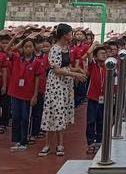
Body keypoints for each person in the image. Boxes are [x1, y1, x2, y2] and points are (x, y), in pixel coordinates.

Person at [39, 23, 87, 157]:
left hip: (65, 84)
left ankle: (60, 144)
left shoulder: (67, 48)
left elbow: (65, 66)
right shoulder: (55, 49)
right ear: (64, 35)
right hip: (56, 85)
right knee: (53, 111)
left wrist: (76, 69)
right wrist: (75, 75)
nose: (72, 36)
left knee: (62, 113)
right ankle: (48, 144)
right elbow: (57, 70)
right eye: (71, 33)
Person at [4, 33, 41, 152]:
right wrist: (16, 38)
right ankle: (17, 141)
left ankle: (24, 141)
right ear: (22, 48)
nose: (28, 49)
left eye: (30, 46)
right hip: (15, 92)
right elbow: (6, 49)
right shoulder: (16, 58)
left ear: (34, 48)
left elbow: (37, 79)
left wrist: (35, 95)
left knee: (25, 117)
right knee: (15, 117)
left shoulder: (36, 62)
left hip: (27, 94)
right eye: (26, 46)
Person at [85, 42, 108, 153]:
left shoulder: (108, 67)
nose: (104, 55)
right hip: (93, 98)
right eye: (101, 53)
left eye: (105, 53)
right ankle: (90, 142)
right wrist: (95, 45)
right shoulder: (92, 65)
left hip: (103, 99)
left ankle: (99, 141)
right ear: (95, 56)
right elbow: (89, 52)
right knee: (91, 121)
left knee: (101, 121)